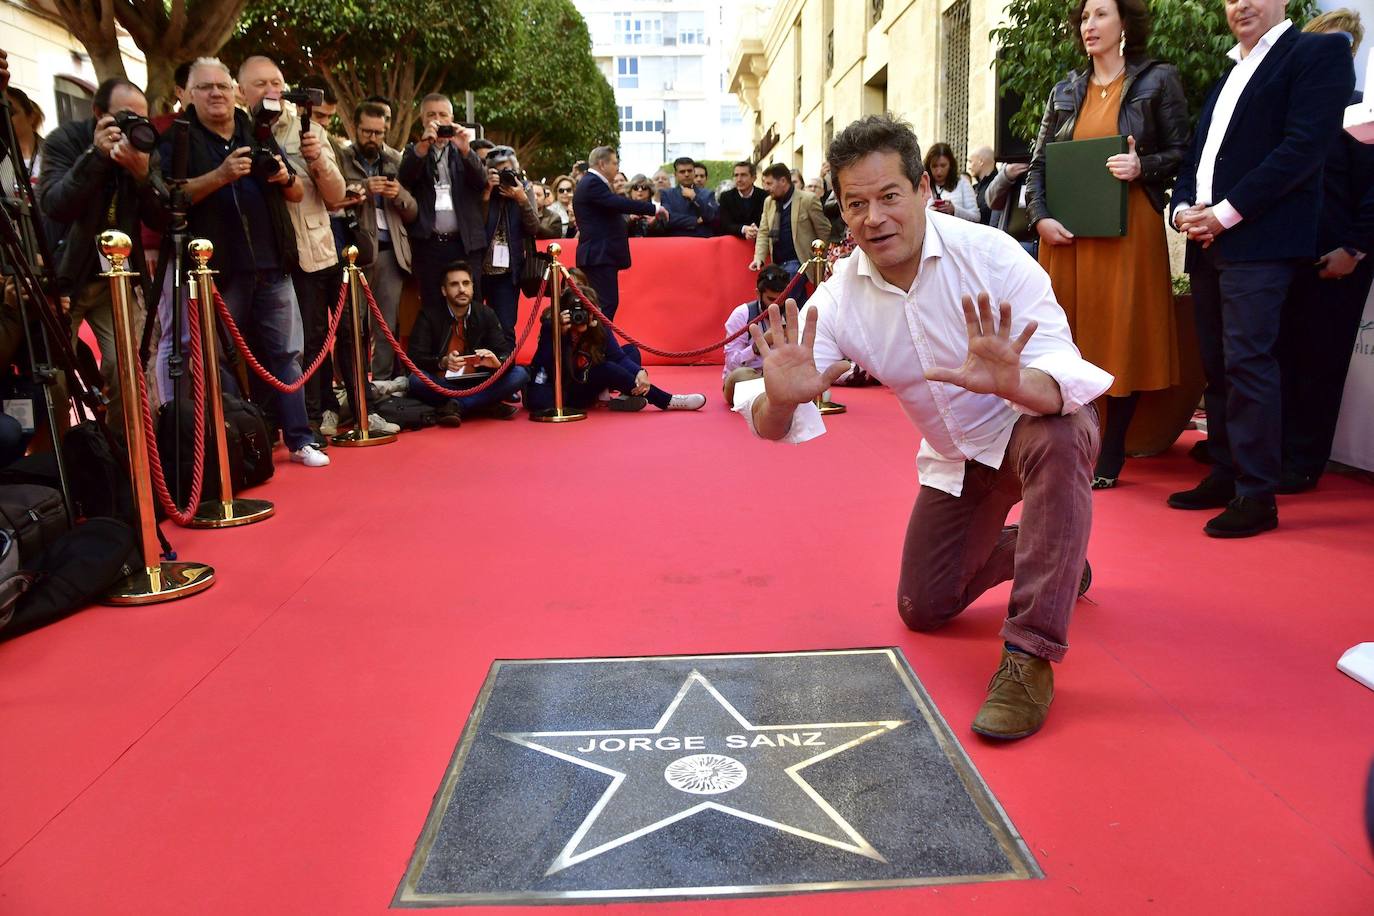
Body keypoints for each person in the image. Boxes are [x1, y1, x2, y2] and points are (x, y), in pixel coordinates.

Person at [739, 114, 1111, 740]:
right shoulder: (837, 300)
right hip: (956, 457)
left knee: (1062, 432)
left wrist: (1012, 382)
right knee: (924, 606)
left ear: (923, 191)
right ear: (842, 212)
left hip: (1027, 425)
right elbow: (770, 423)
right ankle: (1051, 553)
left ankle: (1029, 657)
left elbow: (1065, 381)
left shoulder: (991, 258)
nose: (874, 218)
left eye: (889, 197)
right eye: (856, 204)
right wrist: (779, 400)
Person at [1168, 0, 1353, 536]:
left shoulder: (1318, 51)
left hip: (1260, 241)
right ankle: (1225, 473)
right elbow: (1197, 156)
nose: (1241, 4)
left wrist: (1224, 214)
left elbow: (1303, 149)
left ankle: (1256, 494)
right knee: (1218, 364)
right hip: (1206, 240)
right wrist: (1182, 209)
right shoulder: (1230, 71)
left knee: (1250, 364)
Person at [1025, 0, 1191, 490]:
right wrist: (1040, 218)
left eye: (1100, 14)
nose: (1089, 25)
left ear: (1125, 24)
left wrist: (1144, 167)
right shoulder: (1063, 91)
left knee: (1122, 334)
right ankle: (1066, 436)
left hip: (1129, 232)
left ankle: (1110, 449)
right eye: (1083, 18)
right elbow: (1039, 166)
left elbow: (1183, 152)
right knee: (1068, 334)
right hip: (1067, 238)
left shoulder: (1158, 80)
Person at [160, 57, 328, 467]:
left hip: (273, 264)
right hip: (218, 271)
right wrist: (220, 175)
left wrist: (284, 177)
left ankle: (301, 437)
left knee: (288, 354)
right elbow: (168, 199)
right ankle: (240, 438)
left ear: (234, 90)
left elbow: (293, 192)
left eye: (222, 85)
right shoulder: (180, 138)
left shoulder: (257, 130)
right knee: (216, 357)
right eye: (205, 87)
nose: (215, 94)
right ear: (187, 95)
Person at [236, 56, 384, 444]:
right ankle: (293, 420)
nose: (271, 91)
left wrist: (316, 157)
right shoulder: (236, 129)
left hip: (315, 249)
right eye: (260, 84)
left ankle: (342, 410)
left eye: (277, 82)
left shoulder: (309, 131)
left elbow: (335, 196)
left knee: (335, 333)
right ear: (241, 90)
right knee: (282, 346)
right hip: (261, 257)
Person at [1276, 10, 1374, 494]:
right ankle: (1272, 453)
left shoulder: (1360, 115)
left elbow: (1372, 191)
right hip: (1284, 257)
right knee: (1280, 358)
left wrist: (1353, 249)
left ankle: (1304, 462)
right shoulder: (1290, 110)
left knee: (1321, 364)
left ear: (1351, 53)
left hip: (1339, 261)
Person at [37, 78, 168, 430]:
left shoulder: (144, 150)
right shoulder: (66, 141)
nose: (133, 127)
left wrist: (142, 176)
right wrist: (95, 157)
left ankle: (123, 460)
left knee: (126, 369)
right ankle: (64, 464)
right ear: (98, 114)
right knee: (57, 376)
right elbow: (55, 205)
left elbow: (162, 218)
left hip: (115, 278)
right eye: (125, 117)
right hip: (65, 279)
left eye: (141, 119)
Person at [332, 100, 421, 434]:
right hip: (354, 253)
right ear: (355, 127)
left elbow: (413, 210)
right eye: (367, 131)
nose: (373, 137)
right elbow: (332, 196)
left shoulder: (395, 160)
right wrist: (361, 190)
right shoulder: (341, 157)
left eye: (379, 132)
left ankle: (381, 388)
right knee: (351, 325)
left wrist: (397, 194)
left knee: (387, 325)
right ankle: (350, 391)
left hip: (391, 253)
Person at [528, 275, 705, 413]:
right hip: (562, 388)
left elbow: (618, 357)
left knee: (625, 356)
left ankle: (651, 397)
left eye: (585, 311)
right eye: (575, 311)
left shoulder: (598, 326)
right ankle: (654, 398)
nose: (579, 316)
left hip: (586, 381)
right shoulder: (553, 325)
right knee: (606, 369)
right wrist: (559, 334)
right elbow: (542, 368)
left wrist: (641, 372)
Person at [404, 261, 529, 426]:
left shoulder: (486, 313)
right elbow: (414, 358)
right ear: (444, 290)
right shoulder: (429, 315)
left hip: (480, 382)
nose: (461, 289)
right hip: (444, 383)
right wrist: (442, 363)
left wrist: (497, 363)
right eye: (454, 284)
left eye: (466, 283)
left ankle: (458, 406)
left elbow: (507, 354)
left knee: (520, 374)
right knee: (416, 381)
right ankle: (482, 404)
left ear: (472, 287)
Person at [398, 93, 487, 313]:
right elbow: (405, 179)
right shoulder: (415, 151)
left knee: (471, 304)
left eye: (442, 115)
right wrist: (424, 146)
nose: (437, 120)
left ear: (452, 118)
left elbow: (481, 181)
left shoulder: (464, 149)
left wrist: (466, 149)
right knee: (432, 304)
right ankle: (440, 349)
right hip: (430, 244)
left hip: (465, 243)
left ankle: (471, 347)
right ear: (422, 120)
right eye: (431, 115)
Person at [572, 145, 665, 320]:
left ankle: (598, 345)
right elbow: (617, 203)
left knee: (601, 305)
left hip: (599, 255)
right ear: (602, 163)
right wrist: (654, 208)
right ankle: (597, 345)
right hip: (598, 255)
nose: (617, 167)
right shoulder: (592, 182)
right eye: (614, 163)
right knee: (606, 304)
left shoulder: (592, 183)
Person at [480, 145, 539, 349]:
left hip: (508, 272)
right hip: (480, 269)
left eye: (508, 171)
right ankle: (481, 377)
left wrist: (521, 199)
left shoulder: (524, 190)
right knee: (477, 326)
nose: (504, 176)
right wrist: (487, 193)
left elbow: (533, 227)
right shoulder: (482, 190)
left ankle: (506, 374)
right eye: (499, 171)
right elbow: (476, 226)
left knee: (505, 327)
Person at [749, 163, 830, 306]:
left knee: (782, 301)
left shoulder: (808, 200)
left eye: (769, 183)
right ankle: (805, 325)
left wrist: (821, 262)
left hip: (801, 262)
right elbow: (763, 231)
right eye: (764, 183)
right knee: (798, 304)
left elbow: (824, 231)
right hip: (778, 263)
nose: (766, 188)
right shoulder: (769, 202)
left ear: (783, 181)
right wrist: (759, 257)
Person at [721, 265, 790, 404]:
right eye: (771, 299)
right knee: (740, 377)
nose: (777, 305)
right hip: (749, 377)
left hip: (778, 377)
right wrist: (759, 344)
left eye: (781, 299)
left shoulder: (790, 313)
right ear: (758, 294)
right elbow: (731, 364)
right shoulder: (741, 315)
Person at [658, 156, 719, 237]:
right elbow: (667, 218)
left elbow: (711, 216)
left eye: (689, 171)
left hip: (701, 241)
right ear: (675, 175)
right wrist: (695, 221)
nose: (686, 174)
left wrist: (695, 198)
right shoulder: (667, 194)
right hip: (676, 241)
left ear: (694, 172)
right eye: (682, 172)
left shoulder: (707, 194)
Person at [924, 143, 979, 222]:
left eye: (943, 166)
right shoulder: (923, 185)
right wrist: (929, 212)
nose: (939, 171)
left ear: (950, 165)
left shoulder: (962, 183)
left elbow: (976, 217)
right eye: (934, 166)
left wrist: (954, 210)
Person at [719, 160, 766, 241]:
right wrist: (744, 229)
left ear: (753, 178)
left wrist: (754, 231)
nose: (739, 179)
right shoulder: (726, 197)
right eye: (736, 175)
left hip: (759, 243)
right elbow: (724, 224)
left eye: (743, 175)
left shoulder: (764, 196)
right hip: (734, 243)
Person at [967, 146, 997, 224]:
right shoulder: (974, 188)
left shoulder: (999, 186)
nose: (969, 167)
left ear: (980, 161)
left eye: (970, 161)